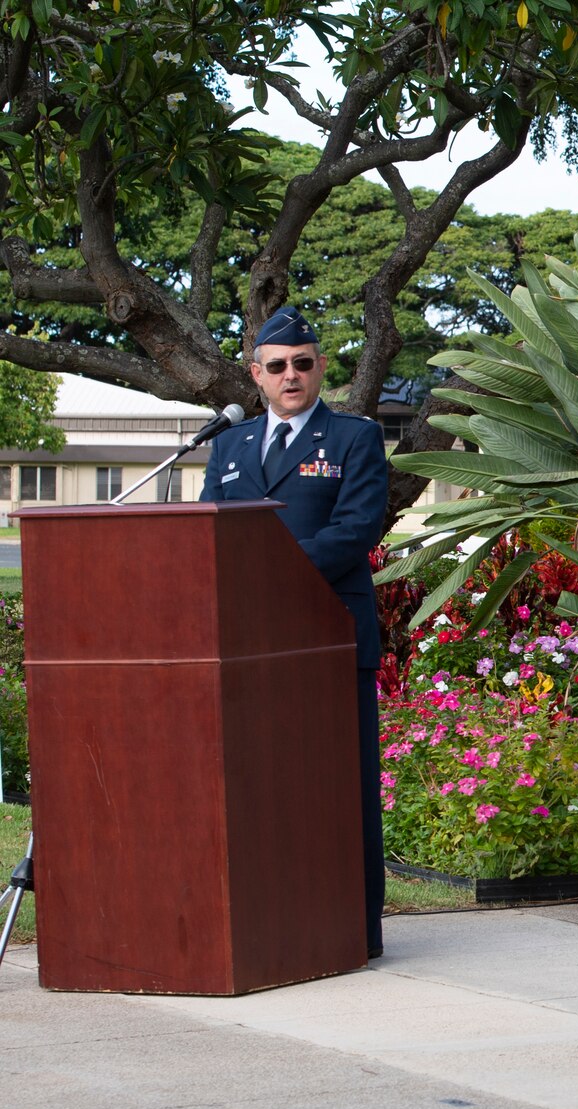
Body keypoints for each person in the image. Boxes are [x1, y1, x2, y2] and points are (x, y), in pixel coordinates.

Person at [200, 306, 391, 958]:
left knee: (342, 787)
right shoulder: (227, 446)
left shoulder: (353, 439)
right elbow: (209, 533)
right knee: (261, 787)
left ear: (320, 368)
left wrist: (270, 574)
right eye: (276, 366)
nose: (291, 376)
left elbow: (357, 528)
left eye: (302, 364)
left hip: (329, 637)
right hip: (248, 644)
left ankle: (354, 929)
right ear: (256, 374)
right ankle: (273, 922)